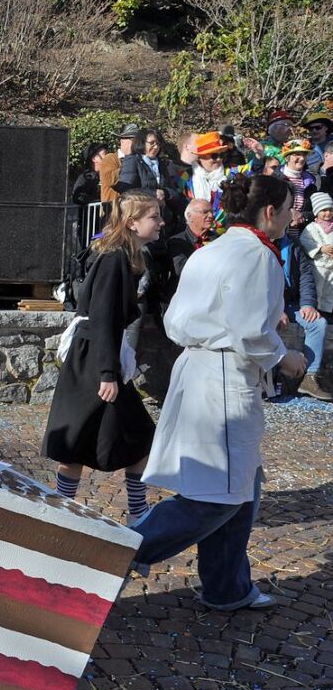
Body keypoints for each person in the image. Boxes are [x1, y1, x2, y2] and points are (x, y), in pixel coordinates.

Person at [131, 173, 307, 611]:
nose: (292, 214)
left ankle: (227, 587)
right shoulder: (255, 256)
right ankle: (120, 551)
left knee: (242, 487)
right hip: (225, 381)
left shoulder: (213, 249)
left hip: (204, 371)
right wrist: (284, 357)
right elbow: (250, 331)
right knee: (217, 496)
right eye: (288, 207)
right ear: (270, 212)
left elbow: (186, 317)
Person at [41, 191, 161, 523]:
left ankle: (129, 511)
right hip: (94, 359)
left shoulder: (123, 257)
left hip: (95, 355)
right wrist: (107, 373)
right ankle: (67, 512)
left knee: (123, 437)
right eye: (154, 217)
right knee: (91, 439)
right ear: (133, 222)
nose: (161, 222)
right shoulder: (114, 260)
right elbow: (104, 315)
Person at [278, 230, 332, 400]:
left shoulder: (292, 244)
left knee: (318, 323)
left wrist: (308, 304)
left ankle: (309, 378)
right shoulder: (258, 244)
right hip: (268, 304)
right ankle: (270, 377)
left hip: (291, 303)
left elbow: (305, 277)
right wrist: (274, 308)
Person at [167, 199, 217, 282]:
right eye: (205, 212)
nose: (211, 215)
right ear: (190, 216)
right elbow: (181, 270)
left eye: (212, 212)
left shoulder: (219, 239)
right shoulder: (177, 242)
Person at [278, 138, 320, 240]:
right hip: (278, 233)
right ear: (287, 157)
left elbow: (316, 210)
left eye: (304, 155)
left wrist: (302, 216)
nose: (301, 158)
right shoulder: (276, 179)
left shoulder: (311, 182)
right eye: (296, 154)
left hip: (303, 236)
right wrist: (289, 213)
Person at [300, 191, 333, 316]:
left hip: (331, 267)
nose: (328, 213)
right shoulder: (311, 227)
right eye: (324, 210)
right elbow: (306, 243)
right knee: (317, 290)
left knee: (330, 292)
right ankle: (316, 311)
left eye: (330, 209)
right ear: (316, 212)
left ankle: (328, 312)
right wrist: (320, 248)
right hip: (317, 267)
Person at [97, 122, 139, 205]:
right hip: (113, 209)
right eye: (133, 140)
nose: (136, 143)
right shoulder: (110, 158)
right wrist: (130, 165)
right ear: (122, 141)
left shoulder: (139, 159)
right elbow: (110, 180)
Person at [302, 106, 333, 175]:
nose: (314, 130)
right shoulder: (304, 147)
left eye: (318, 127)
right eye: (311, 128)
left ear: (326, 128)